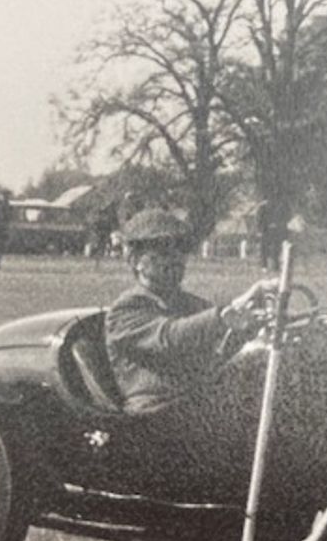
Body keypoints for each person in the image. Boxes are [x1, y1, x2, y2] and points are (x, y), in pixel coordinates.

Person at [104, 208, 274, 498]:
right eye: (159, 251)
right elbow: (170, 337)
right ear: (134, 260)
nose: (173, 259)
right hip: (157, 416)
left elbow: (222, 344)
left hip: (199, 405)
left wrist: (255, 325)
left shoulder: (192, 303)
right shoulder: (125, 310)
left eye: (179, 250)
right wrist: (224, 315)